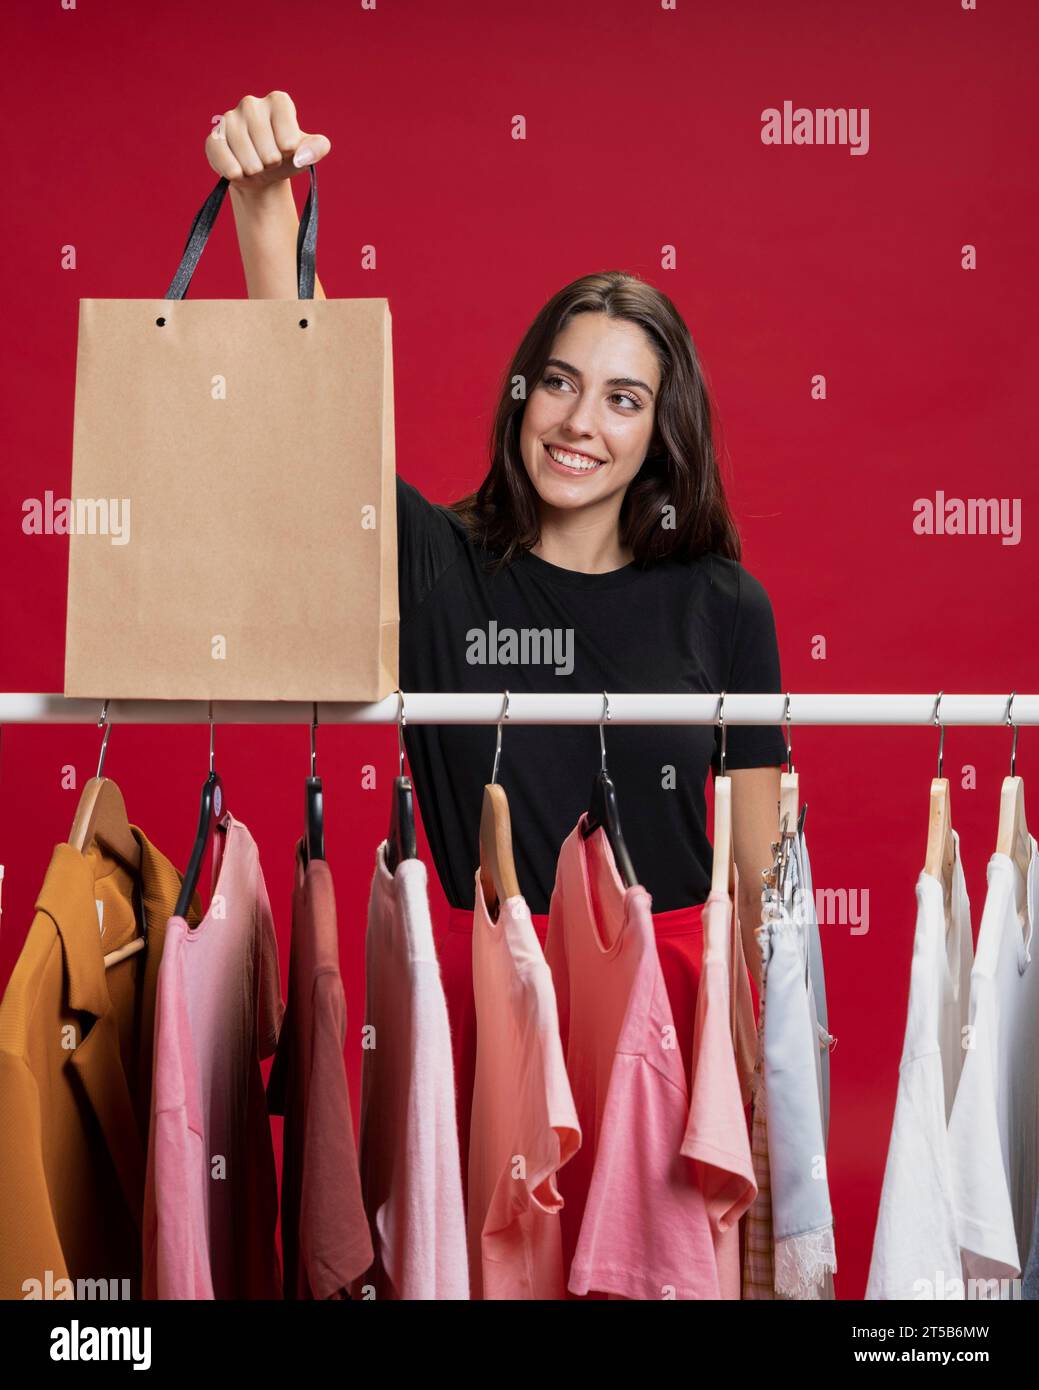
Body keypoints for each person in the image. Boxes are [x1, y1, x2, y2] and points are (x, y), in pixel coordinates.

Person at [203, 90, 786, 999]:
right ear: (524, 393)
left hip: (678, 1003)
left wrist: (765, 1079)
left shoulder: (725, 604)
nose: (579, 422)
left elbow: (760, 888)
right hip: (499, 993)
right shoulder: (441, 569)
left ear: (661, 433)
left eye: (622, 399)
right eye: (559, 382)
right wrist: (264, 203)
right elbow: (321, 411)